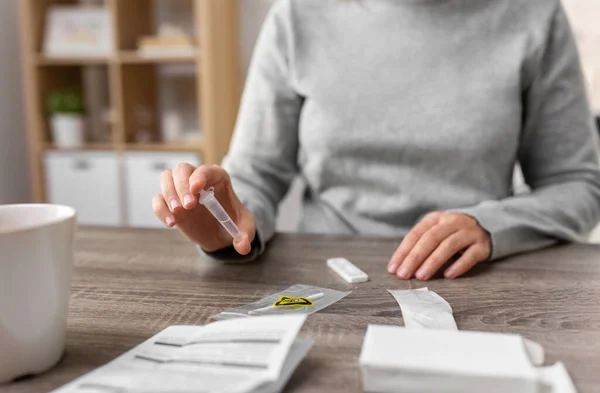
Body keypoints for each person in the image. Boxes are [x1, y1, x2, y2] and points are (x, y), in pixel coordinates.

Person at [154, 0, 600, 281]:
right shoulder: (297, 16)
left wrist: (491, 225)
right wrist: (226, 227)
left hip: (474, 279)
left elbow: (578, 184)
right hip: (324, 279)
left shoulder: (534, 15)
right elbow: (257, 176)